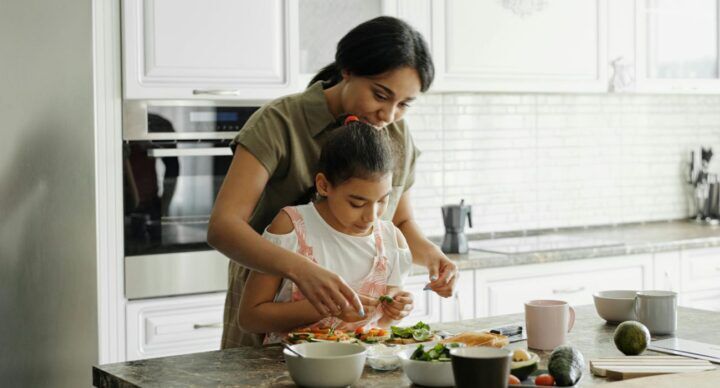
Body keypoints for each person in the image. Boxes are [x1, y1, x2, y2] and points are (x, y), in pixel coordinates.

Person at [208, 16, 459, 348]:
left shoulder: (395, 133)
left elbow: (399, 221)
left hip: (352, 337)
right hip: (269, 312)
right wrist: (302, 270)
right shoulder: (279, 122)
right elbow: (223, 227)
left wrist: (432, 257)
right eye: (380, 95)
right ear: (348, 71)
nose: (389, 114)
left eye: (403, 105)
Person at [237, 117, 413, 343]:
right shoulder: (291, 227)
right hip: (290, 368)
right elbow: (250, 318)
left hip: (363, 367)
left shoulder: (391, 240)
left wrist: (397, 309)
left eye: (382, 201)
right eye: (357, 203)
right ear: (323, 185)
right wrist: (325, 307)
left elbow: (383, 324)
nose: (371, 216)